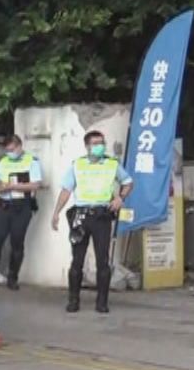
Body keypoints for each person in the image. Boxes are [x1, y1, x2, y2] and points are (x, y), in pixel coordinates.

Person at [50, 130, 134, 314]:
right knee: (77, 260)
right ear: (87, 146)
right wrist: (56, 212)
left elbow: (128, 182)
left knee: (102, 261)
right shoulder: (77, 165)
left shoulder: (112, 164)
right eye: (95, 143)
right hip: (80, 216)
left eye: (102, 143)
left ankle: (102, 302)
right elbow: (66, 190)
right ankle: (73, 300)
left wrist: (120, 198)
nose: (99, 146)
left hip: (102, 216)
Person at [0, 135, 43, 289]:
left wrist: (12, 186)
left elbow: (36, 185)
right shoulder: (4, 161)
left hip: (22, 206)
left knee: (17, 242)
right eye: (7, 150)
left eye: (12, 150)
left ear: (19, 146)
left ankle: (12, 278)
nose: (10, 153)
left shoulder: (32, 161)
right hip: (3, 205)